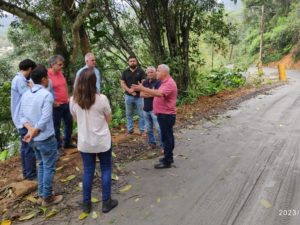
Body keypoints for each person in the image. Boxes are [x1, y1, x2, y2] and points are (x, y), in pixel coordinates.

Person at [70, 68, 118, 213]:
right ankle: (106, 202)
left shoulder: (73, 100)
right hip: (102, 141)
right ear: (94, 82)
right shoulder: (101, 98)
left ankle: (86, 204)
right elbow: (109, 119)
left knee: (88, 171)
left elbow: (75, 119)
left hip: (85, 142)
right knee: (106, 169)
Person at [19, 65, 63, 206]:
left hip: (32, 139)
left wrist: (30, 131)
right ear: (44, 79)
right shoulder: (46, 95)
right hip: (45, 138)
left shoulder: (26, 94)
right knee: (48, 166)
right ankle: (47, 198)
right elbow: (44, 119)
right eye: (47, 77)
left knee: (42, 165)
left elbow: (21, 117)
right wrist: (34, 130)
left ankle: (41, 193)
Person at [132, 64, 177, 169]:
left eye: (158, 70)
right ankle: (168, 157)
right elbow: (155, 93)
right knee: (167, 137)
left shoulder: (169, 83)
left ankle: (167, 161)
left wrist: (142, 88)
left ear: (164, 72)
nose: (156, 72)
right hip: (162, 114)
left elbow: (159, 94)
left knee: (167, 138)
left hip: (166, 115)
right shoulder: (164, 82)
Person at [10, 59, 37, 180]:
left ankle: (27, 172)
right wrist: (33, 87)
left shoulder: (21, 79)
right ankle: (30, 175)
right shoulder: (20, 80)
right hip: (22, 120)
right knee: (29, 147)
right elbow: (28, 95)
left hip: (22, 118)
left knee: (25, 147)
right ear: (30, 69)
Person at [48, 55, 76, 152]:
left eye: (62, 64)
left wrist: (68, 97)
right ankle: (58, 147)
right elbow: (46, 91)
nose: (62, 66)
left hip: (65, 103)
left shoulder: (60, 73)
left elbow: (64, 86)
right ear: (52, 64)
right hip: (56, 105)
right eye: (60, 64)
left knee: (69, 122)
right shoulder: (47, 75)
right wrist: (53, 102)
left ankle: (67, 142)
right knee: (56, 126)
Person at [120, 55, 146, 135]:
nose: (132, 62)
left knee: (141, 114)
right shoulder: (125, 72)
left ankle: (142, 130)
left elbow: (143, 82)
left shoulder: (141, 71)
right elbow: (122, 83)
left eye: (134, 61)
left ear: (136, 61)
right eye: (131, 61)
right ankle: (130, 129)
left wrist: (135, 89)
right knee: (128, 114)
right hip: (128, 96)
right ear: (128, 62)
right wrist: (129, 90)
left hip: (139, 96)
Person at [141, 66, 163, 149]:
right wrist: (151, 93)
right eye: (148, 72)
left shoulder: (158, 82)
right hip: (145, 109)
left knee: (159, 128)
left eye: (151, 72)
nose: (150, 74)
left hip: (155, 109)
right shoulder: (145, 82)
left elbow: (158, 94)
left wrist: (148, 93)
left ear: (155, 73)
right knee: (149, 128)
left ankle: (162, 145)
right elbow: (141, 94)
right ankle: (152, 143)